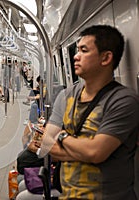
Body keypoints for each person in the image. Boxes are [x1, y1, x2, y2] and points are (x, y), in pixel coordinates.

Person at [28, 25, 139, 199]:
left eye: (84, 50)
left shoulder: (123, 101)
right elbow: (47, 145)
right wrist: (86, 152)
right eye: (77, 49)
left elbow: (95, 152)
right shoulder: (66, 95)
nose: (75, 56)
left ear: (105, 58)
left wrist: (62, 137)